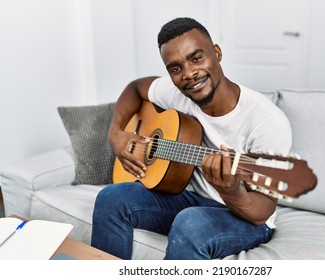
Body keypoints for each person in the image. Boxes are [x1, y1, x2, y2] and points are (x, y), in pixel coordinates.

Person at [91, 17, 292, 260]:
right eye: (175, 68)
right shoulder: (178, 93)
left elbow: (262, 210)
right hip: (189, 198)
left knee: (190, 223)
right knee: (110, 198)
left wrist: (230, 191)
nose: (189, 74)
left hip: (246, 218)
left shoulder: (267, 122)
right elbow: (135, 88)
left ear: (217, 53)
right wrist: (115, 133)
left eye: (196, 58)